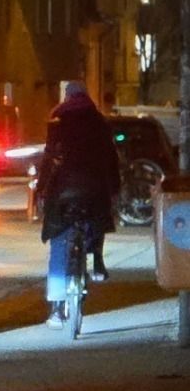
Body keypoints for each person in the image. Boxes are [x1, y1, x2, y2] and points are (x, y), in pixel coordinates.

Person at [36, 81, 120, 323]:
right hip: (95, 188)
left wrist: (42, 189)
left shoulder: (57, 122)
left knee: (59, 241)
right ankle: (97, 261)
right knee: (96, 218)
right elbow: (111, 159)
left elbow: (49, 159)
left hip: (62, 190)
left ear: (67, 97)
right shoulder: (100, 122)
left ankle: (56, 308)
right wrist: (114, 189)